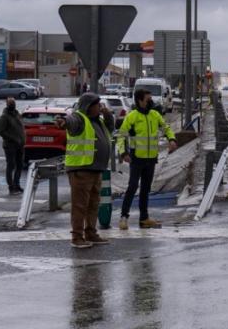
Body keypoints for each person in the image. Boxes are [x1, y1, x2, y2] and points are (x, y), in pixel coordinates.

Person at [55, 93, 113, 248]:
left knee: (93, 204)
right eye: (97, 105)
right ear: (88, 106)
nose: (99, 108)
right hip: (81, 169)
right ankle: (77, 236)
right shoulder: (79, 118)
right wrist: (64, 122)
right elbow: (71, 122)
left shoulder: (97, 121)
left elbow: (111, 129)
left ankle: (91, 233)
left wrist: (108, 116)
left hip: (95, 169)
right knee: (80, 205)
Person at [117, 89, 177, 230]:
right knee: (132, 187)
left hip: (151, 159)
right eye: (148, 99)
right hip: (136, 158)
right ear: (140, 100)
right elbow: (121, 136)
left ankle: (144, 218)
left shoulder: (154, 115)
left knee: (146, 189)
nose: (151, 101)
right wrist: (123, 152)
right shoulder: (132, 116)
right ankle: (123, 217)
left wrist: (172, 139)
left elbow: (166, 128)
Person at [0, 97, 26, 195]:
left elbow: (21, 128)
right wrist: (14, 139)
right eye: (10, 103)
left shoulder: (18, 114)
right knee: (11, 166)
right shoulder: (4, 117)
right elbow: (1, 132)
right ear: (7, 104)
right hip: (10, 145)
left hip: (20, 145)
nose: (12, 104)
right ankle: (11, 187)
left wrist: (22, 139)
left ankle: (17, 185)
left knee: (19, 166)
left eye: (13, 102)